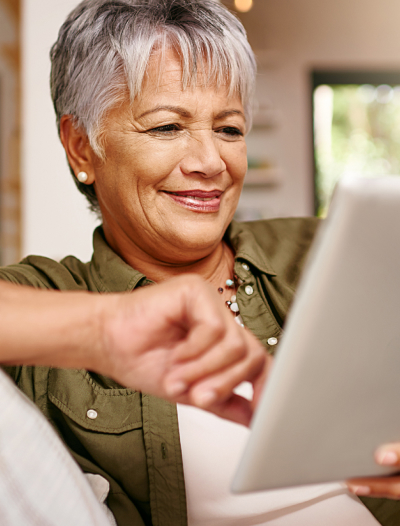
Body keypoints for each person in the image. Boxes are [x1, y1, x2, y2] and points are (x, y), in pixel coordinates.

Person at [0, 0, 399, 524]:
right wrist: (103, 327)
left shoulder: (322, 252)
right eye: (167, 127)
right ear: (81, 147)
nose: (211, 162)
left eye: (230, 129)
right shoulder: (51, 295)